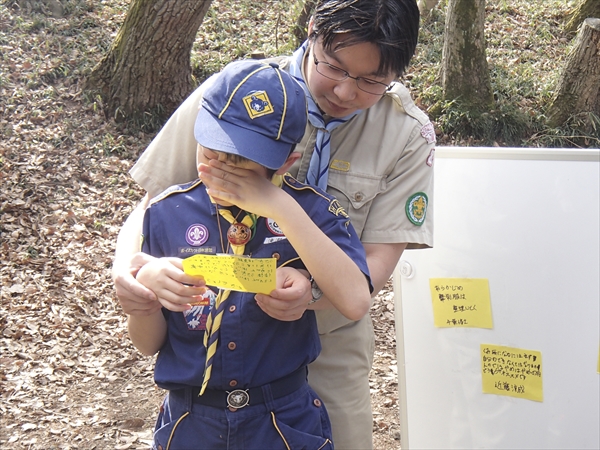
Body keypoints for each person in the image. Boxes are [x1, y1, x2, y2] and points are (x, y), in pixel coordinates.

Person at [113, 1, 435, 448]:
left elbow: (376, 265)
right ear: (312, 31)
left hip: (330, 341)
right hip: (218, 351)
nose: (344, 92)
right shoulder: (238, 91)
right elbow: (153, 203)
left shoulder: (405, 135)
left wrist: (310, 293)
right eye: (334, 67)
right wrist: (129, 270)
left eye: (370, 81)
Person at [129, 59, 372, 449]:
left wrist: (281, 208)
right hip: (192, 421)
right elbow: (147, 344)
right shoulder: (166, 213)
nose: (221, 168)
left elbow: (357, 300)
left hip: (282, 421)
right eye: (211, 150)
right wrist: (146, 299)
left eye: (240, 159)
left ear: (286, 161)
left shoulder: (312, 212)